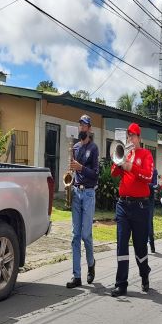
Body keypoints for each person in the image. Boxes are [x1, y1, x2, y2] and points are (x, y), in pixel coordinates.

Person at [110, 123, 154, 297]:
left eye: (133, 136)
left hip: (140, 206)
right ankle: (121, 284)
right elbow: (113, 173)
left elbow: (148, 177)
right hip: (123, 204)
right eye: (128, 136)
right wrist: (119, 161)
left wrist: (132, 167)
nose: (130, 139)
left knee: (140, 247)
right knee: (121, 244)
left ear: (139, 138)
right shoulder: (125, 153)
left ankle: (144, 274)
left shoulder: (146, 154)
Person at [66, 114, 100, 288]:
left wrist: (81, 168)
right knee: (75, 236)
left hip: (88, 194)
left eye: (84, 125)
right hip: (76, 193)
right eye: (80, 125)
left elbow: (95, 174)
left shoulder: (93, 148)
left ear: (90, 129)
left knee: (86, 235)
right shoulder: (76, 147)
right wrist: (72, 170)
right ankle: (76, 275)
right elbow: (73, 171)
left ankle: (91, 263)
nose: (82, 128)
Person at [148, 167, 159, 253]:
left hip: (149, 199)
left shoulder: (153, 170)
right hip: (139, 199)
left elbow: (155, 185)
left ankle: (152, 244)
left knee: (149, 222)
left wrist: (145, 183)